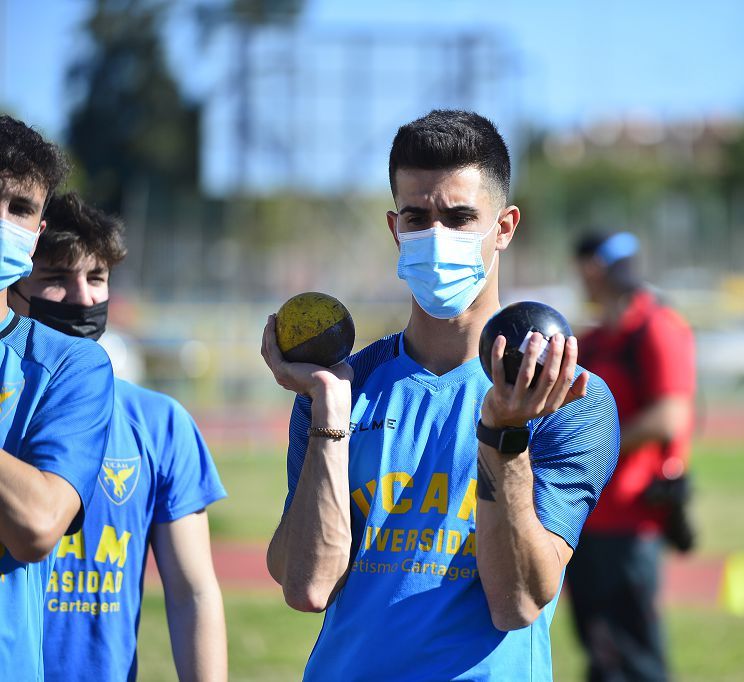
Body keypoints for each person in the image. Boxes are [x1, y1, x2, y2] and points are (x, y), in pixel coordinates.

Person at [261, 109, 620, 680]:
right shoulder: (342, 388)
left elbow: (518, 602)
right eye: (417, 217)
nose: (436, 236)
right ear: (394, 228)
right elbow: (307, 586)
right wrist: (328, 412)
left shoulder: (565, 394)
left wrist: (505, 434)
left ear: (504, 227)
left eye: (459, 218)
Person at [8, 191, 229, 682]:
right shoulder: (7, 409)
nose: (84, 297)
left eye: (97, 278)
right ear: (15, 284)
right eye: (57, 279)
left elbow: (192, 591)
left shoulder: (161, 423)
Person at [0, 115, 115, 679]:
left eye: (19, 208)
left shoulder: (72, 365)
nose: (2, 220)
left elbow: (38, 525)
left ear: (37, 232)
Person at [566, 231, 697, 682]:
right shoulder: (596, 339)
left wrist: (596, 449)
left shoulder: (655, 327)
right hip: (584, 515)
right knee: (601, 655)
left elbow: (670, 416)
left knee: (636, 659)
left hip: (631, 517)